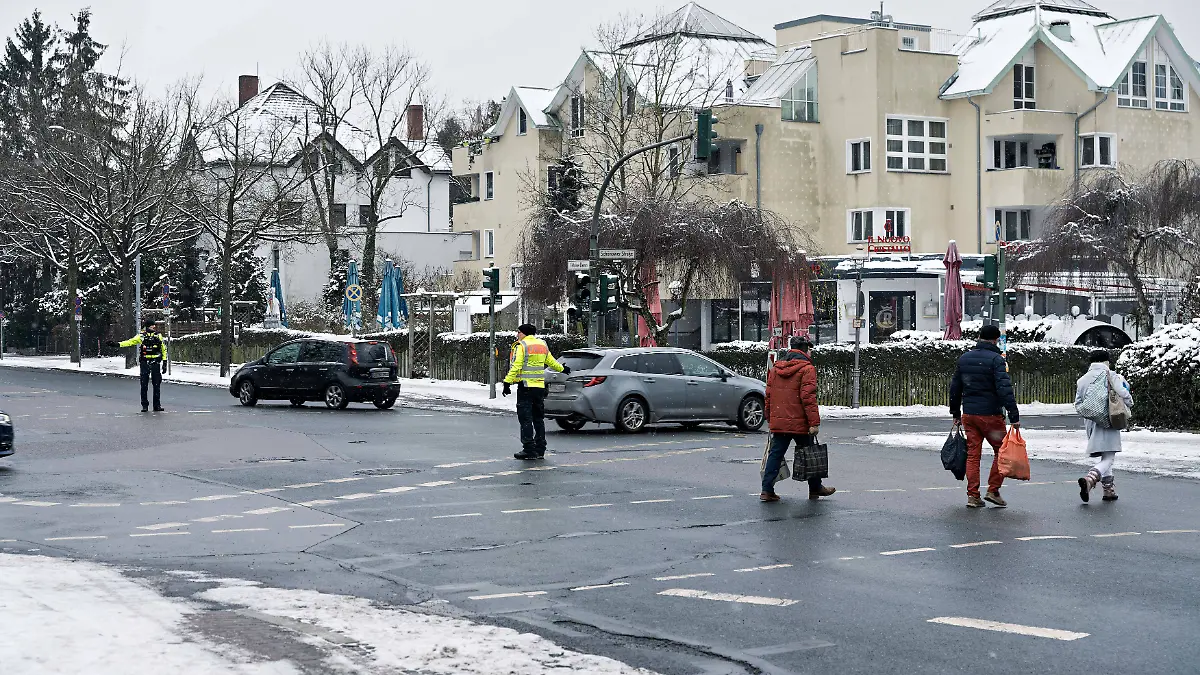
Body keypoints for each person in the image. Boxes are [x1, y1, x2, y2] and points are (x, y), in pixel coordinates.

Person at [949, 324, 1020, 509]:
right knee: (1002, 452)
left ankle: (973, 495)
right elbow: (1004, 389)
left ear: (979, 336)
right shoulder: (997, 360)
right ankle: (993, 490)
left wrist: (956, 412)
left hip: (970, 415)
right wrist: (1014, 414)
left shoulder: (965, 358)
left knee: (973, 455)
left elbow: (955, 388)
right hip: (990, 415)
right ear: (996, 339)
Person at [760, 335, 835, 502]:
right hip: (800, 421)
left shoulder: (776, 369)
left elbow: (769, 395)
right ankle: (815, 488)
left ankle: (766, 490)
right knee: (810, 453)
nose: (811, 352)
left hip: (780, 420)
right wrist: (814, 423)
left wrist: (769, 417)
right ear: (804, 350)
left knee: (775, 454)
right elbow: (808, 398)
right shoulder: (807, 369)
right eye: (809, 349)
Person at [502, 324, 568, 460]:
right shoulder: (542, 345)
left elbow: (517, 365)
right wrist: (562, 369)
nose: (517, 334)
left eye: (518, 332)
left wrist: (507, 382)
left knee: (525, 419)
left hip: (525, 387)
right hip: (539, 387)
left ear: (524, 333)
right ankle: (540, 449)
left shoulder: (523, 345)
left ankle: (529, 449)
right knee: (538, 419)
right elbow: (551, 361)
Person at [1075, 350, 1133, 502]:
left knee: (1105, 455)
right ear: (1106, 361)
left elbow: (1078, 403)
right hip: (1109, 419)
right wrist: (1129, 404)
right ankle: (1090, 479)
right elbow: (1123, 393)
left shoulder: (1082, 380)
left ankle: (1108, 490)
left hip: (1091, 421)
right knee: (1109, 458)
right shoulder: (1111, 375)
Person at [109, 320, 168, 413]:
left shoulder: (158, 336)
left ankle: (157, 405)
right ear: (147, 327)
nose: (154, 327)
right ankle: (144, 405)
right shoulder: (141, 336)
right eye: (152, 326)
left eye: (154, 326)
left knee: (156, 385)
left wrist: (165, 362)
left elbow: (163, 349)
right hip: (145, 362)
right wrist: (117, 344)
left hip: (155, 362)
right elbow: (130, 342)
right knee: (144, 385)